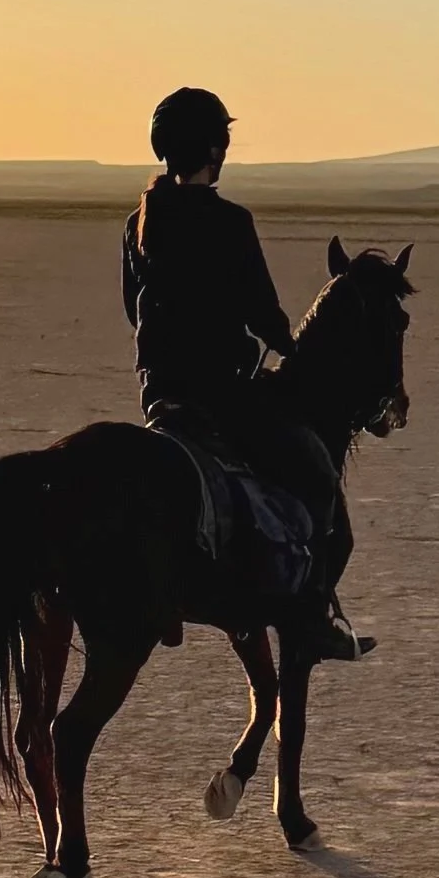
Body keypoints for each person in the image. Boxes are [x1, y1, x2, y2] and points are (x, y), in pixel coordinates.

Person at [122, 88, 367, 658]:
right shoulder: (230, 221)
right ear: (214, 148)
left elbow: (133, 308)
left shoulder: (137, 223)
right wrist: (291, 348)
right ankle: (314, 616)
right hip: (224, 396)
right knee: (316, 477)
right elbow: (263, 311)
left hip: (159, 397)